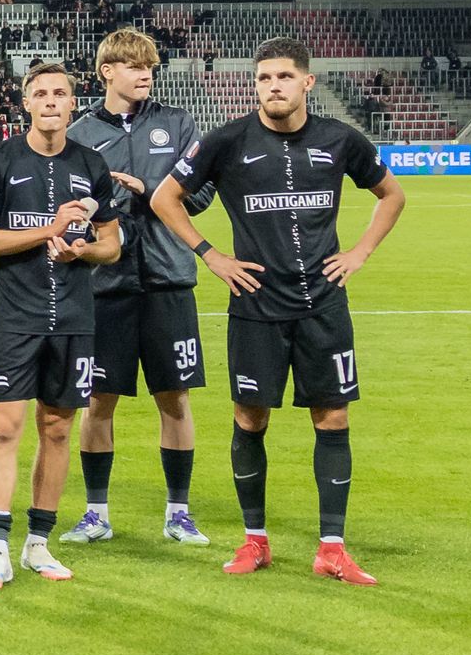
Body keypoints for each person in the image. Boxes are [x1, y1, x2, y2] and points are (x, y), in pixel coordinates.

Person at [146, 40, 404, 584]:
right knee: (250, 419)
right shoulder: (227, 140)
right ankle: (255, 540)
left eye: (284, 77)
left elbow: (392, 195)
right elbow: (164, 198)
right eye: (264, 78)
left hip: (323, 305)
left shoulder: (340, 139)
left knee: (332, 418)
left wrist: (360, 253)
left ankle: (332, 548)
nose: (273, 86)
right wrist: (211, 255)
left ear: (307, 82)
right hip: (255, 305)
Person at [0, 58, 122, 589]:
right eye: (41, 94)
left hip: (75, 319)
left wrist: (83, 251)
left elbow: (112, 244)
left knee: (57, 429)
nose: (51, 101)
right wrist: (48, 231)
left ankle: (38, 544)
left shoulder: (91, 164)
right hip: (15, 318)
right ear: (26, 103)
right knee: (5, 428)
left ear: (73, 104)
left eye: (60, 94)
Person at [71, 25, 209, 547]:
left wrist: (148, 189)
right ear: (107, 71)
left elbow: (202, 195)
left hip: (169, 279)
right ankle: (95, 514)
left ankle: (179, 513)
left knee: (174, 398)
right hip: (105, 285)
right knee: (98, 401)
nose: (145, 74)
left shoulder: (177, 123)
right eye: (133, 65)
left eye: (149, 66)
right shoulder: (80, 134)